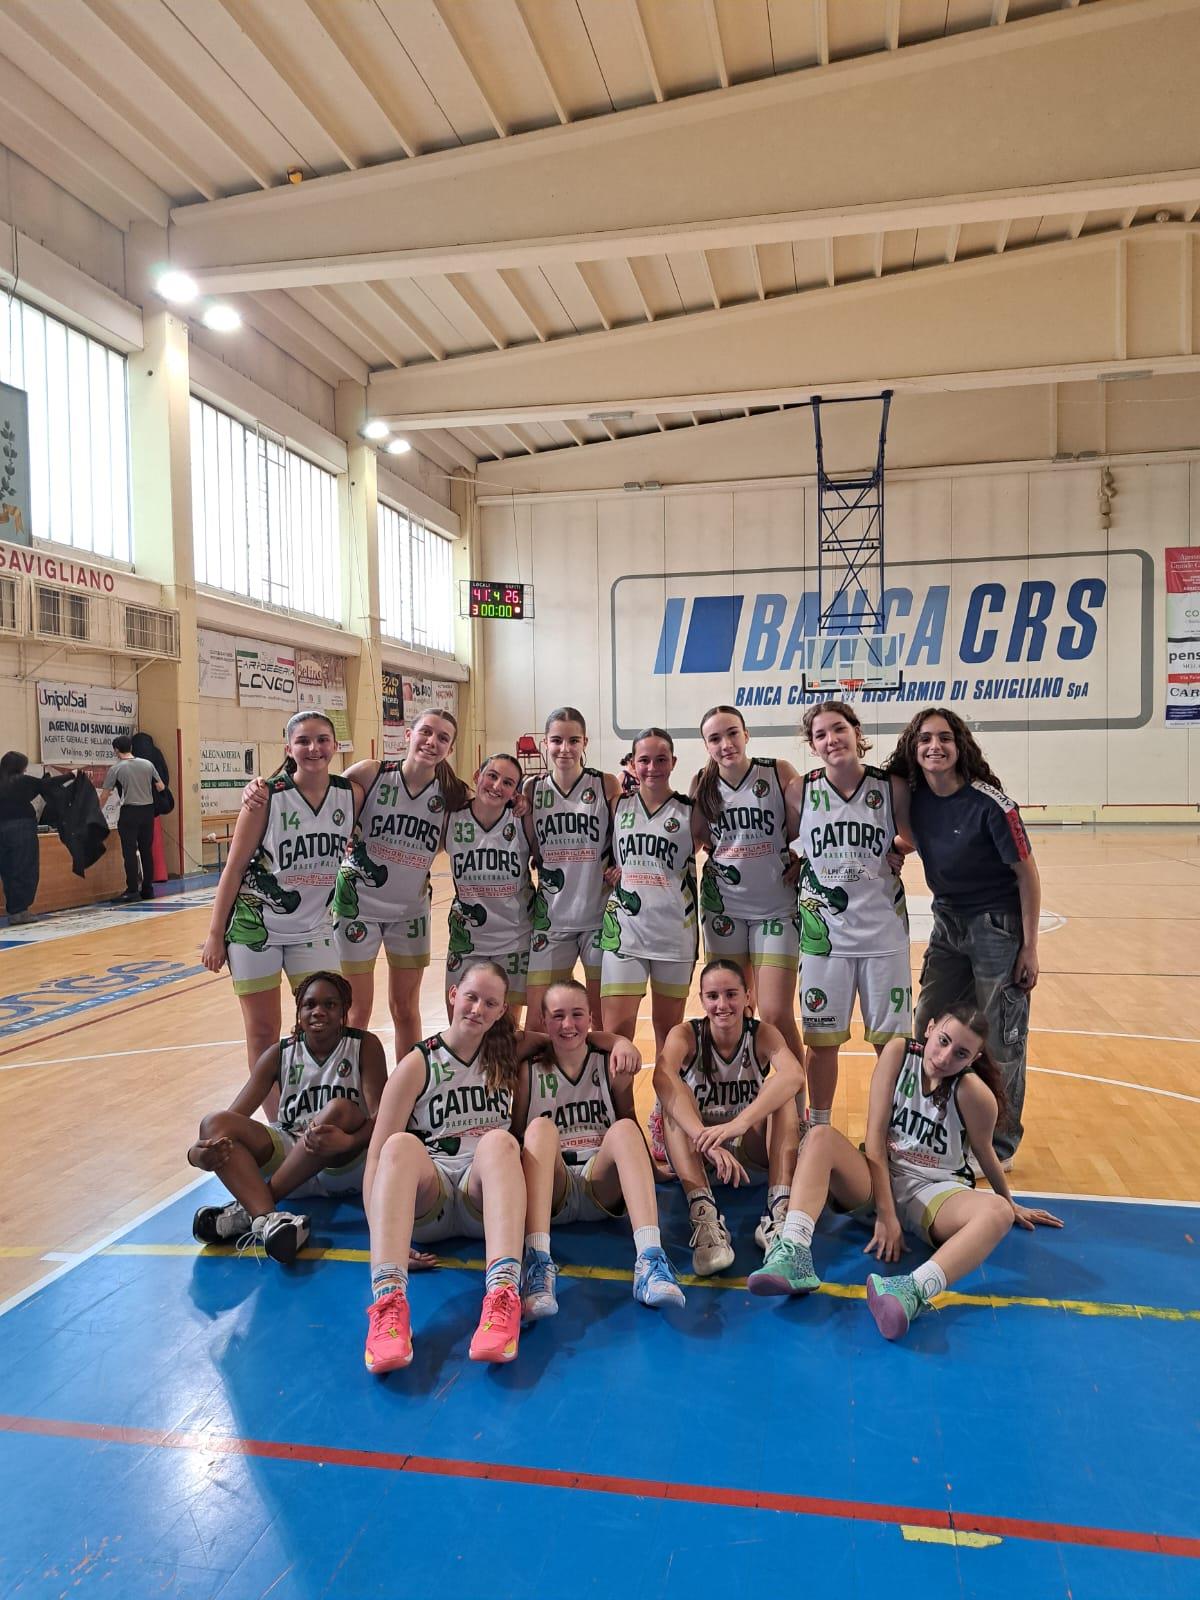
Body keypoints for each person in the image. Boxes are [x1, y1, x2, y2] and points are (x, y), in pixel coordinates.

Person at [748, 1005, 1062, 1340]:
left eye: (960, 1053)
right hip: (877, 1180)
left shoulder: (976, 1095)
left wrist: (1009, 1203)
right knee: (819, 1135)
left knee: (997, 1212)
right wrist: (886, 1215)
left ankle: (910, 1290)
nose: (944, 1057)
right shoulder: (899, 1053)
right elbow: (874, 1137)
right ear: (929, 1028)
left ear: (974, 1058)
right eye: (943, 1041)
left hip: (935, 1193)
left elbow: (985, 1153)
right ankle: (794, 1252)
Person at [884, 707, 1041, 1166]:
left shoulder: (993, 804)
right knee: (927, 1023)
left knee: (1001, 1039)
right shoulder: (916, 798)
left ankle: (998, 1146)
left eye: (944, 738)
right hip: (947, 921)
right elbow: (922, 837)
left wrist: (1030, 946)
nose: (934, 746)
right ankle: (924, 1125)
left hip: (997, 926)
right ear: (913, 748)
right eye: (925, 739)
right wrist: (896, 850)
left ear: (960, 746)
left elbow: (1027, 875)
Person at [362, 959, 531, 1371]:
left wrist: (615, 1043)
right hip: (431, 1199)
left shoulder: (509, 1053)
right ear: (453, 995)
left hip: (481, 1199)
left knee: (500, 1142)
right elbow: (376, 1156)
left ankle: (503, 1296)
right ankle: (388, 1304)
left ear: (502, 1010)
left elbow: (569, 1036)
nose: (477, 1009)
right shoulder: (418, 1062)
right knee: (398, 1145)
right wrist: (382, 1234)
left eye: (490, 1003)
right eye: (471, 997)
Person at [187, 971, 385, 1264]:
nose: (318, 1011)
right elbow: (229, 1122)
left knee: (338, 1110)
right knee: (214, 1122)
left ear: (344, 1010)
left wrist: (349, 1142)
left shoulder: (364, 1045)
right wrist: (196, 1155)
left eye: (330, 1004)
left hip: (341, 1163)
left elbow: (383, 1118)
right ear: (299, 1011)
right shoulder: (278, 1053)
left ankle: (250, 1210)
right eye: (310, 1004)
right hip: (291, 1156)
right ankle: (269, 1220)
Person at [517, 978, 686, 1319]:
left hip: (601, 1184)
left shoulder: (609, 1063)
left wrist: (651, 1170)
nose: (568, 1024)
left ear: (591, 1018)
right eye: (558, 1016)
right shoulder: (528, 1070)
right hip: (554, 1189)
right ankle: (537, 1263)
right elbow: (516, 1134)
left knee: (624, 1128)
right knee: (537, 1129)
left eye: (577, 1014)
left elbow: (628, 1117)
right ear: (543, 1021)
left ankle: (650, 1260)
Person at [202, 711, 354, 1076]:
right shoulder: (266, 797)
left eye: (322, 740)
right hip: (256, 929)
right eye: (303, 741)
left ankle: (317, 1100)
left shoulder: (351, 794)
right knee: (263, 1031)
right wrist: (214, 934)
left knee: (328, 1026)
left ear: (335, 746)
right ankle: (274, 1112)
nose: (313, 748)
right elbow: (234, 869)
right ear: (288, 749)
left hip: (314, 928)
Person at [784, 701, 914, 1120]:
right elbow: (789, 841)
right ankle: (818, 1125)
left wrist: (898, 849)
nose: (831, 740)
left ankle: (891, 1129)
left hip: (883, 935)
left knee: (891, 1044)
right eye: (820, 735)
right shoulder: (800, 790)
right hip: (826, 938)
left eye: (838, 729)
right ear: (812, 746)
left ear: (857, 732)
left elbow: (912, 836)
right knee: (821, 1042)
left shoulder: (891, 787)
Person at [652, 959, 806, 1276]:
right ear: (701, 999)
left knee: (780, 1091)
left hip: (745, 1147)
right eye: (713, 996)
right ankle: (704, 1215)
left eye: (731, 994)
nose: (722, 1005)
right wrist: (704, 1139)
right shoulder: (686, 1035)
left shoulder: (762, 1034)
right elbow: (661, 1078)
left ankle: (778, 1212)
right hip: (699, 1151)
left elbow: (794, 1075)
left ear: (748, 996)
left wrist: (739, 1124)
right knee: (674, 1098)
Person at [329, 709, 470, 1054]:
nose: (432, 742)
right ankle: (349, 1081)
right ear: (409, 734)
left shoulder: (454, 795)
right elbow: (322, 797)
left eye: (442, 738)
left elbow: (493, 812)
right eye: (426, 732)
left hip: (410, 911)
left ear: (450, 749)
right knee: (355, 1011)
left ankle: (409, 1082)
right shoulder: (371, 773)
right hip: (357, 907)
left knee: (405, 1008)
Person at [692, 705, 804, 1059]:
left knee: (775, 1013)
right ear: (706, 745)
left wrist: (802, 857)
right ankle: (746, 1084)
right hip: (724, 908)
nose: (725, 744)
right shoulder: (702, 783)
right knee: (734, 1012)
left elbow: (812, 824)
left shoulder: (777, 771)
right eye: (715, 738)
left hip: (776, 907)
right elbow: (694, 839)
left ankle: (798, 1092)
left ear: (746, 734)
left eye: (732, 734)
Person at [600, 727, 702, 1059]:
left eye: (661, 759)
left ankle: (664, 1096)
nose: (652, 767)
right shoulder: (616, 806)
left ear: (673, 762)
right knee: (616, 1039)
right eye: (644, 760)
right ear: (632, 763)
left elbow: (730, 845)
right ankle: (617, 1097)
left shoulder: (690, 811)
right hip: (624, 933)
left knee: (668, 1038)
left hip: (674, 934)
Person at [523, 708, 621, 1032]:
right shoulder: (532, 789)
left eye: (573, 740)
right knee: (538, 1022)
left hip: (597, 918)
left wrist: (623, 865)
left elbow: (626, 836)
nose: (564, 748)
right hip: (551, 920)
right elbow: (527, 846)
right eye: (556, 740)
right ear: (545, 743)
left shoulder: (605, 784)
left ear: (584, 743)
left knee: (600, 1021)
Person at [445, 753, 534, 1024]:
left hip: (515, 936)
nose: (497, 786)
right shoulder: (451, 817)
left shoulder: (522, 819)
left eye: (508, 783)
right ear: (477, 776)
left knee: (506, 1029)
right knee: (461, 1023)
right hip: (467, 938)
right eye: (492, 776)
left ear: (515, 792)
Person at [99, 734, 165, 902]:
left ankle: (133, 890)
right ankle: (148, 889)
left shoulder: (116, 769)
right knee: (146, 851)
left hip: (130, 812)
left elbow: (105, 795)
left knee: (129, 852)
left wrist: (96, 811)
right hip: (148, 812)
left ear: (116, 750)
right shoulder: (147, 764)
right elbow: (160, 786)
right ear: (131, 748)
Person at [0, 752, 58, 924]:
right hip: (22, 828)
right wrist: (72, 775)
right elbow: (47, 785)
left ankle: (13, 909)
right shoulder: (24, 781)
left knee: (7, 870)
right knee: (24, 868)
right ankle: (19, 911)